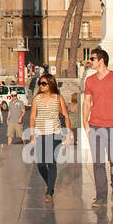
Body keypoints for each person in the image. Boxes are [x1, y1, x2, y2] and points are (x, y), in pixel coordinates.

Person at [83, 47, 113, 207]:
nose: (90, 61)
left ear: (101, 60)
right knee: (98, 163)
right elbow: (87, 102)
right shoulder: (90, 80)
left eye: (92, 59)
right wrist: (85, 121)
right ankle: (101, 196)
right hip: (95, 125)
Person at [29, 74, 70, 202]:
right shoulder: (37, 99)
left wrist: (67, 134)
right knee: (41, 164)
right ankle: (50, 185)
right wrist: (31, 133)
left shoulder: (58, 98)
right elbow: (32, 116)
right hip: (40, 133)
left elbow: (66, 116)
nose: (41, 86)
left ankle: (49, 193)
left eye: (44, 83)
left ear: (51, 84)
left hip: (55, 133)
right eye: (40, 83)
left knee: (51, 162)